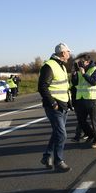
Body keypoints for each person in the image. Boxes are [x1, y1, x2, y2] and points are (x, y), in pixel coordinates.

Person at [38, 43, 72, 172]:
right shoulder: (49, 66)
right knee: (62, 134)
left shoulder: (61, 65)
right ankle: (59, 161)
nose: (69, 54)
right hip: (54, 106)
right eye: (68, 52)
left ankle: (46, 156)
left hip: (63, 105)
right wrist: (53, 103)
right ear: (63, 53)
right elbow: (42, 87)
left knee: (57, 133)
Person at [71, 54, 96, 149]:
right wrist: (74, 75)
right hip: (81, 99)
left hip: (92, 99)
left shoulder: (95, 70)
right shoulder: (80, 70)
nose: (80, 63)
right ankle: (91, 134)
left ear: (88, 62)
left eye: (82, 62)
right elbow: (75, 83)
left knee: (94, 121)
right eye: (79, 62)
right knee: (81, 121)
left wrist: (84, 74)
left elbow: (93, 82)